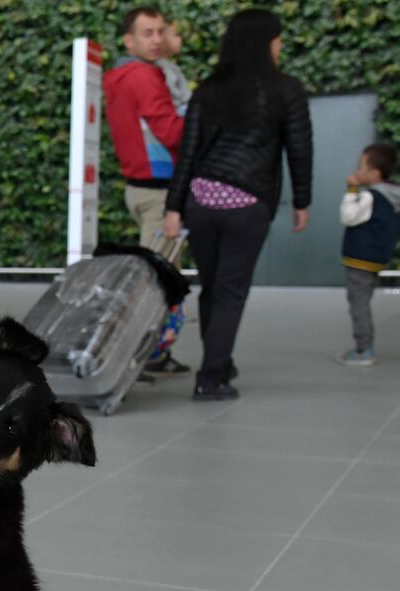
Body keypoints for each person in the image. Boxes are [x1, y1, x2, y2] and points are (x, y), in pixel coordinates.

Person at [163, 8, 312, 400]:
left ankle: (220, 362)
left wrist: (174, 207)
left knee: (213, 287)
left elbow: (188, 153)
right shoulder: (286, 90)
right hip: (248, 204)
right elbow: (299, 150)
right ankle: (211, 377)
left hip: (201, 200)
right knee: (230, 291)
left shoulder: (209, 89)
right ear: (266, 43)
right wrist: (302, 200)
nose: (280, 46)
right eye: (277, 39)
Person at [105, 7, 184, 250]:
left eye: (161, 32)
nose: (158, 40)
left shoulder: (124, 75)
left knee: (163, 273)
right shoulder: (144, 76)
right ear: (129, 41)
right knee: (158, 277)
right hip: (158, 192)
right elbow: (171, 132)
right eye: (148, 33)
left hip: (141, 187)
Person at [337, 142, 400, 367]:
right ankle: (364, 346)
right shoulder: (393, 196)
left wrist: (351, 191)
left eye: (361, 167)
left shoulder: (371, 197)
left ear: (375, 174)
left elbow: (348, 217)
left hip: (360, 259)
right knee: (363, 301)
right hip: (375, 259)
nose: (357, 171)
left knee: (358, 303)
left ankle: (364, 349)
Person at [156, 18, 191, 117]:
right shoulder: (163, 67)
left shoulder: (169, 65)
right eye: (176, 35)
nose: (180, 39)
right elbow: (175, 94)